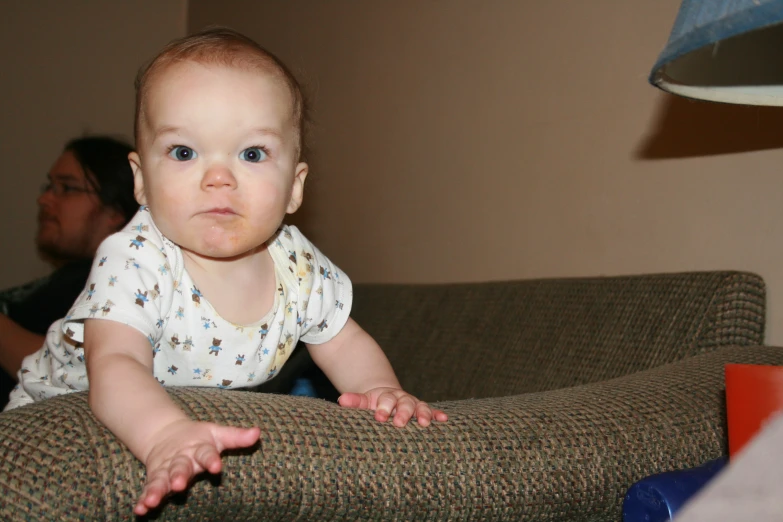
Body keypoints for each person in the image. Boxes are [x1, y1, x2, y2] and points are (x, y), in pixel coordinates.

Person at [6, 27, 448, 515]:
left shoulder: (297, 265)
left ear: (295, 187)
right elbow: (115, 364)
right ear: (141, 181)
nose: (218, 177)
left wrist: (381, 390)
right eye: (184, 152)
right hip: (51, 419)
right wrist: (163, 433)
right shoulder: (136, 258)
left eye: (252, 154)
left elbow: (343, 341)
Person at [0, 136, 136, 407]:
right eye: (49, 186)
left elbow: (71, 372)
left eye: (67, 188)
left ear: (115, 210)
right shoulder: (59, 281)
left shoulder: (115, 281)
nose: (44, 199)